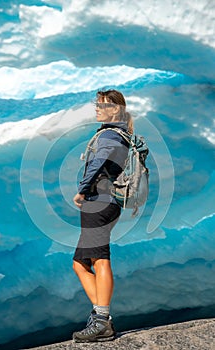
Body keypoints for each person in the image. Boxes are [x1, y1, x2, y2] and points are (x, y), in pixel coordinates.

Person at [72, 89, 133, 342]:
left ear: (116, 109)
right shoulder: (118, 133)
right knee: (80, 263)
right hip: (104, 203)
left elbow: (97, 163)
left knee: (99, 259)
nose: (97, 107)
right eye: (96, 103)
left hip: (99, 202)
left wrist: (82, 190)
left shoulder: (109, 134)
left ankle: (102, 320)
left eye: (103, 104)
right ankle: (101, 316)